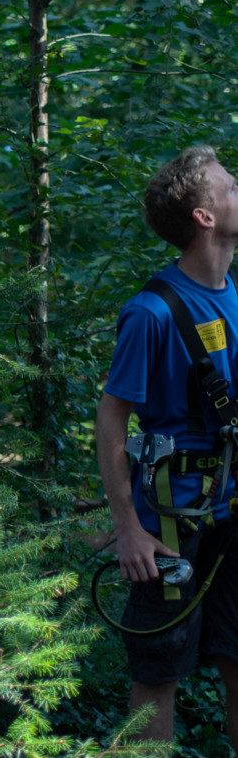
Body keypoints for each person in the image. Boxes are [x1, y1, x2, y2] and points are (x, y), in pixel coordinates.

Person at [96, 145, 238, 743]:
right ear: (205, 215)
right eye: (230, 184)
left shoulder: (233, 293)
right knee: (158, 676)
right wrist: (128, 527)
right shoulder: (151, 313)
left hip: (234, 515)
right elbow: (111, 418)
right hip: (170, 527)